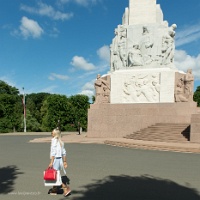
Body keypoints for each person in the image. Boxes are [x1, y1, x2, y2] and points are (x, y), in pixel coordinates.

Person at [48, 128, 71, 196]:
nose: (51, 134)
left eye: (52, 133)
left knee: (55, 175)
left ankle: (65, 188)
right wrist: (64, 161)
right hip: (60, 160)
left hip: (55, 160)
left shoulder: (54, 140)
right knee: (55, 174)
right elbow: (64, 152)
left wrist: (51, 162)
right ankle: (55, 189)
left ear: (55, 134)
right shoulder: (61, 142)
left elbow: (53, 153)